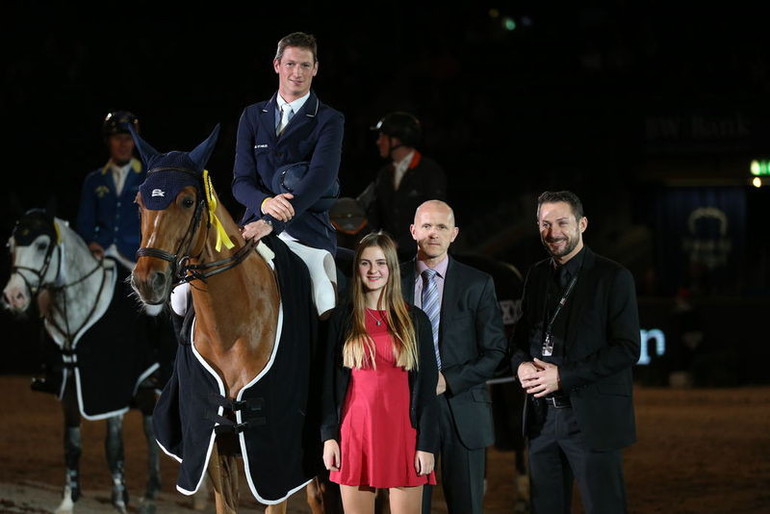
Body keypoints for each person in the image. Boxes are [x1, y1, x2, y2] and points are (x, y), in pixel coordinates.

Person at [510, 190, 641, 513]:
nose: (552, 232)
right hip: (541, 420)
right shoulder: (537, 275)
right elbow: (519, 340)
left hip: (589, 419)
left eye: (562, 222)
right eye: (544, 224)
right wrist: (520, 366)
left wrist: (563, 377)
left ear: (582, 224)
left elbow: (627, 349)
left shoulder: (613, 277)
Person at [400, 199, 508, 514]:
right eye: (427, 226)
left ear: (454, 233)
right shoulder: (393, 280)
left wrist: (448, 380)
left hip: (463, 411)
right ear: (413, 230)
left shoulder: (478, 283)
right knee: (409, 508)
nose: (434, 233)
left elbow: (496, 350)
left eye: (442, 227)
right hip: (407, 411)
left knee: (466, 506)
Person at [320, 231, 439, 514]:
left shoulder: (414, 320)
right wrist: (328, 437)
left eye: (381, 263)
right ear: (357, 267)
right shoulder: (341, 319)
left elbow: (426, 389)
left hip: (404, 436)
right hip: (354, 435)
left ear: (392, 269)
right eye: (365, 263)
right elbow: (327, 385)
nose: (373, 270)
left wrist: (426, 444)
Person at [232, 31, 344, 318]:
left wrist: (273, 220)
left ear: (315, 68)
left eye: (305, 65)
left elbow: (320, 178)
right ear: (277, 65)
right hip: (253, 225)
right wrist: (264, 205)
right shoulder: (252, 116)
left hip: (306, 230)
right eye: (291, 64)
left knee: (325, 301)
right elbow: (240, 182)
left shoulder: (329, 119)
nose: (298, 72)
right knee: (185, 294)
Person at [360, 112, 447, 261]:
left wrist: (401, 244)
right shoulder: (384, 174)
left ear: (396, 140)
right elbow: (373, 215)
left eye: (382, 136)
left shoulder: (429, 171)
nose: (378, 142)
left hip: (424, 258)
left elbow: (437, 219)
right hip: (393, 258)